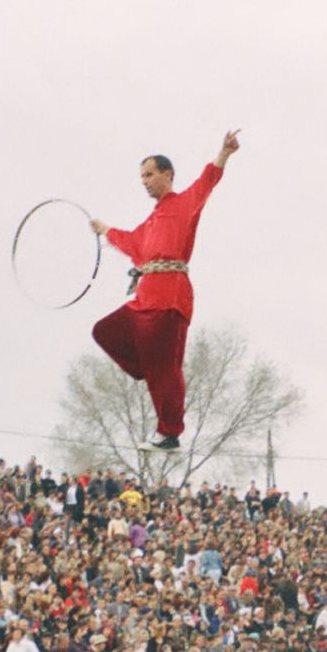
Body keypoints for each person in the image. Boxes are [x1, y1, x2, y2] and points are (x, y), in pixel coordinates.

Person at [88, 129, 241, 453]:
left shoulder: (184, 203)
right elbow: (130, 241)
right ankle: (150, 365)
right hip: (146, 298)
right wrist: (104, 230)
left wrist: (223, 154)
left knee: (165, 369)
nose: (144, 181)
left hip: (170, 296)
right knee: (105, 331)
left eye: (149, 174)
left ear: (166, 175)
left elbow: (207, 181)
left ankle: (169, 432)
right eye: (141, 176)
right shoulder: (152, 221)